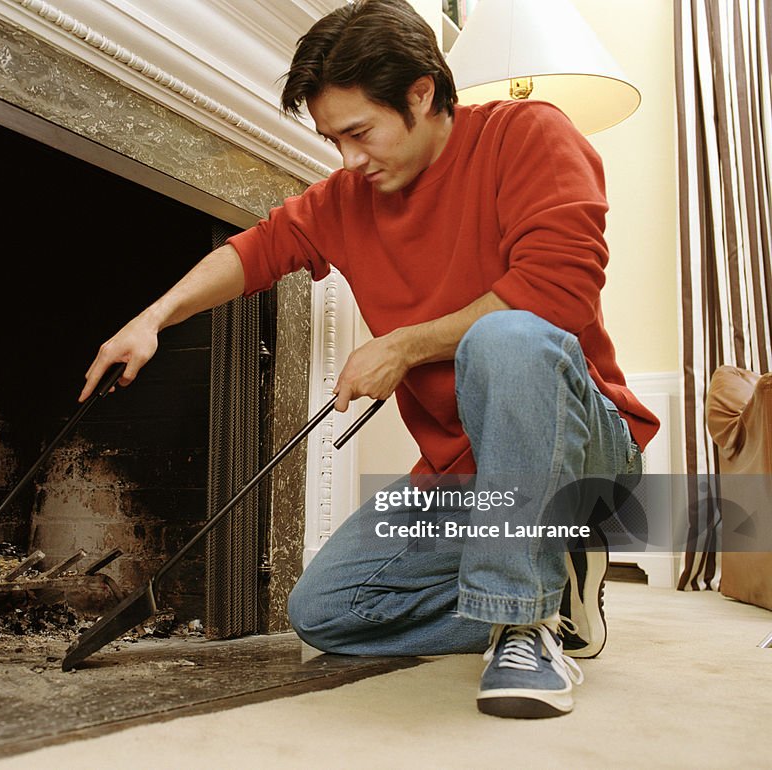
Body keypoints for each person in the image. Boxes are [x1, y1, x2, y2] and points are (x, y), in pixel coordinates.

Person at [80, 0, 659, 719]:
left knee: (505, 338)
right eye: (333, 139)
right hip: (463, 480)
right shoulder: (346, 199)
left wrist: (403, 345)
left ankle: (525, 623)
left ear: (422, 92)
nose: (349, 159)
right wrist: (154, 318)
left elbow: (555, 295)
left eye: (359, 132)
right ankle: (552, 579)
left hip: (584, 456)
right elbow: (257, 250)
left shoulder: (530, 133)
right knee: (326, 612)